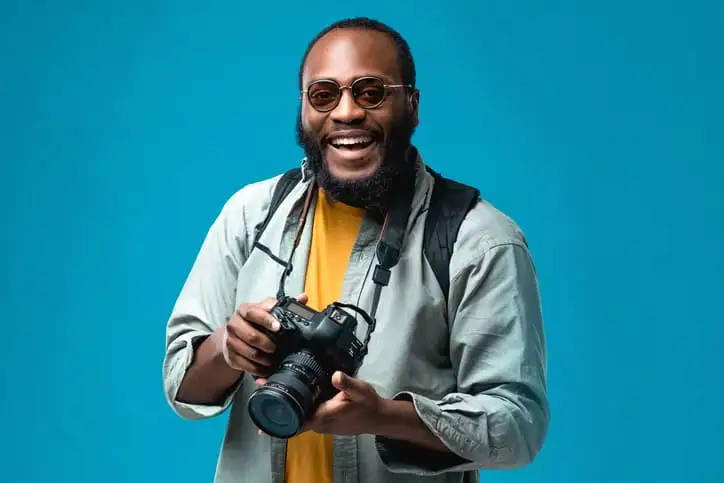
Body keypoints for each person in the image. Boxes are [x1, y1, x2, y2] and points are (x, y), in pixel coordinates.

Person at [162, 16, 549, 483]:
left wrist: (382, 416)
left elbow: (518, 428)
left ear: (412, 105)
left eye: (371, 92)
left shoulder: (478, 239)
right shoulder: (251, 215)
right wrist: (230, 347)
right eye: (323, 95)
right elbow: (182, 386)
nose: (346, 113)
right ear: (303, 109)